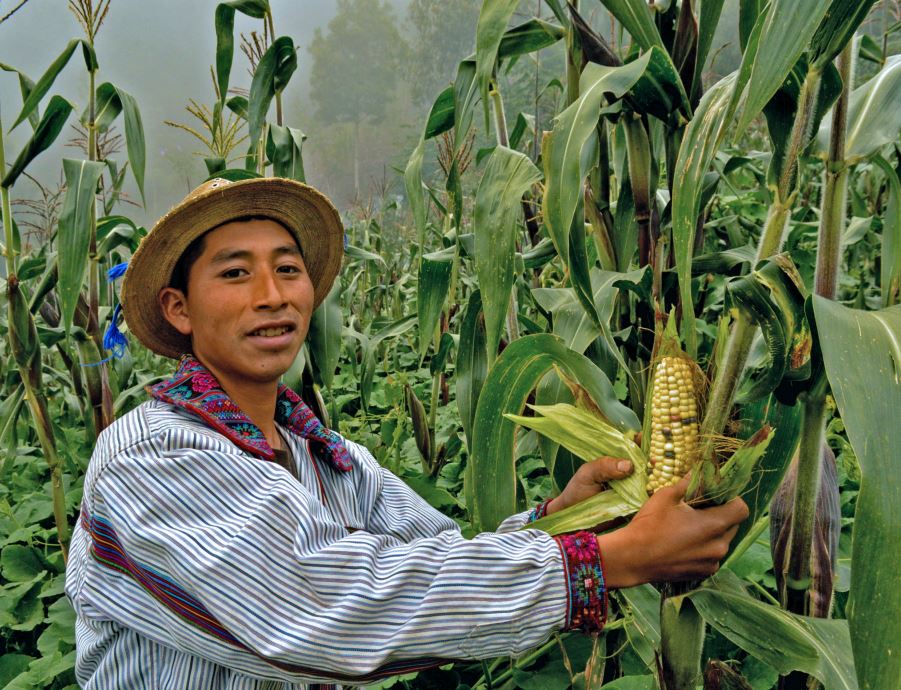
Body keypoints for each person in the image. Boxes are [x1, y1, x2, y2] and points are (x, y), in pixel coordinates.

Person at [65, 177, 749, 689]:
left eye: (288, 268)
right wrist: (605, 563)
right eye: (235, 272)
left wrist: (563, 523)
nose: (271, 294)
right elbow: (321, 608)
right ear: (178, 308)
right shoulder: (152, 457)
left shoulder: (326, 458)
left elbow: (437, 561)